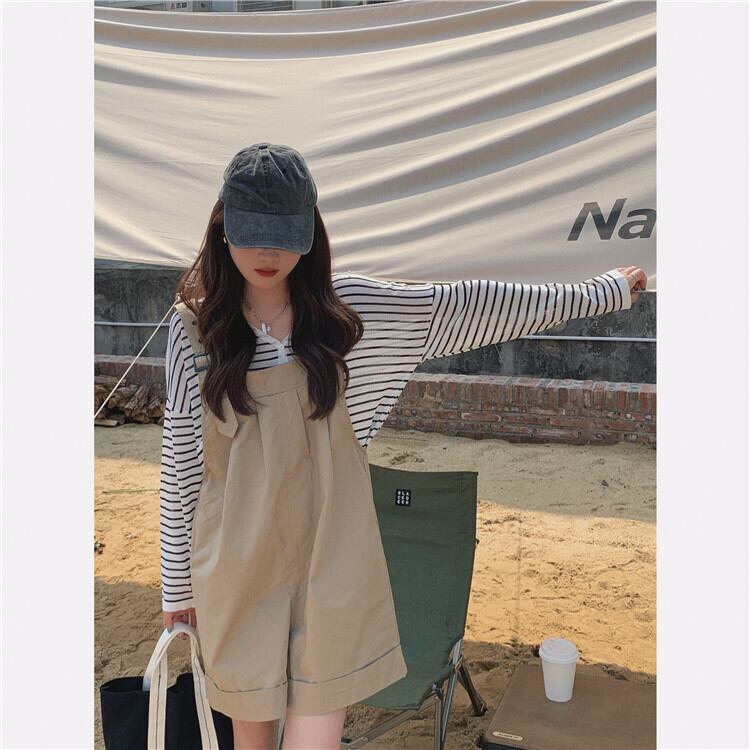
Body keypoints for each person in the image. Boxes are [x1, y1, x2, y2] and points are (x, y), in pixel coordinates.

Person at [159, 142, 647, 750]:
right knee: (250, 742)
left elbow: (474, 305)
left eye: (283, 236)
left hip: (334, 559)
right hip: (235, 566)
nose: (267, 253)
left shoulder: (351, 316)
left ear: (310, 232)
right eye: (252, 234)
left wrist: (600, 293)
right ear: (222, 227)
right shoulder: (196, 330)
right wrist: (176, 586)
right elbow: (181, 463)